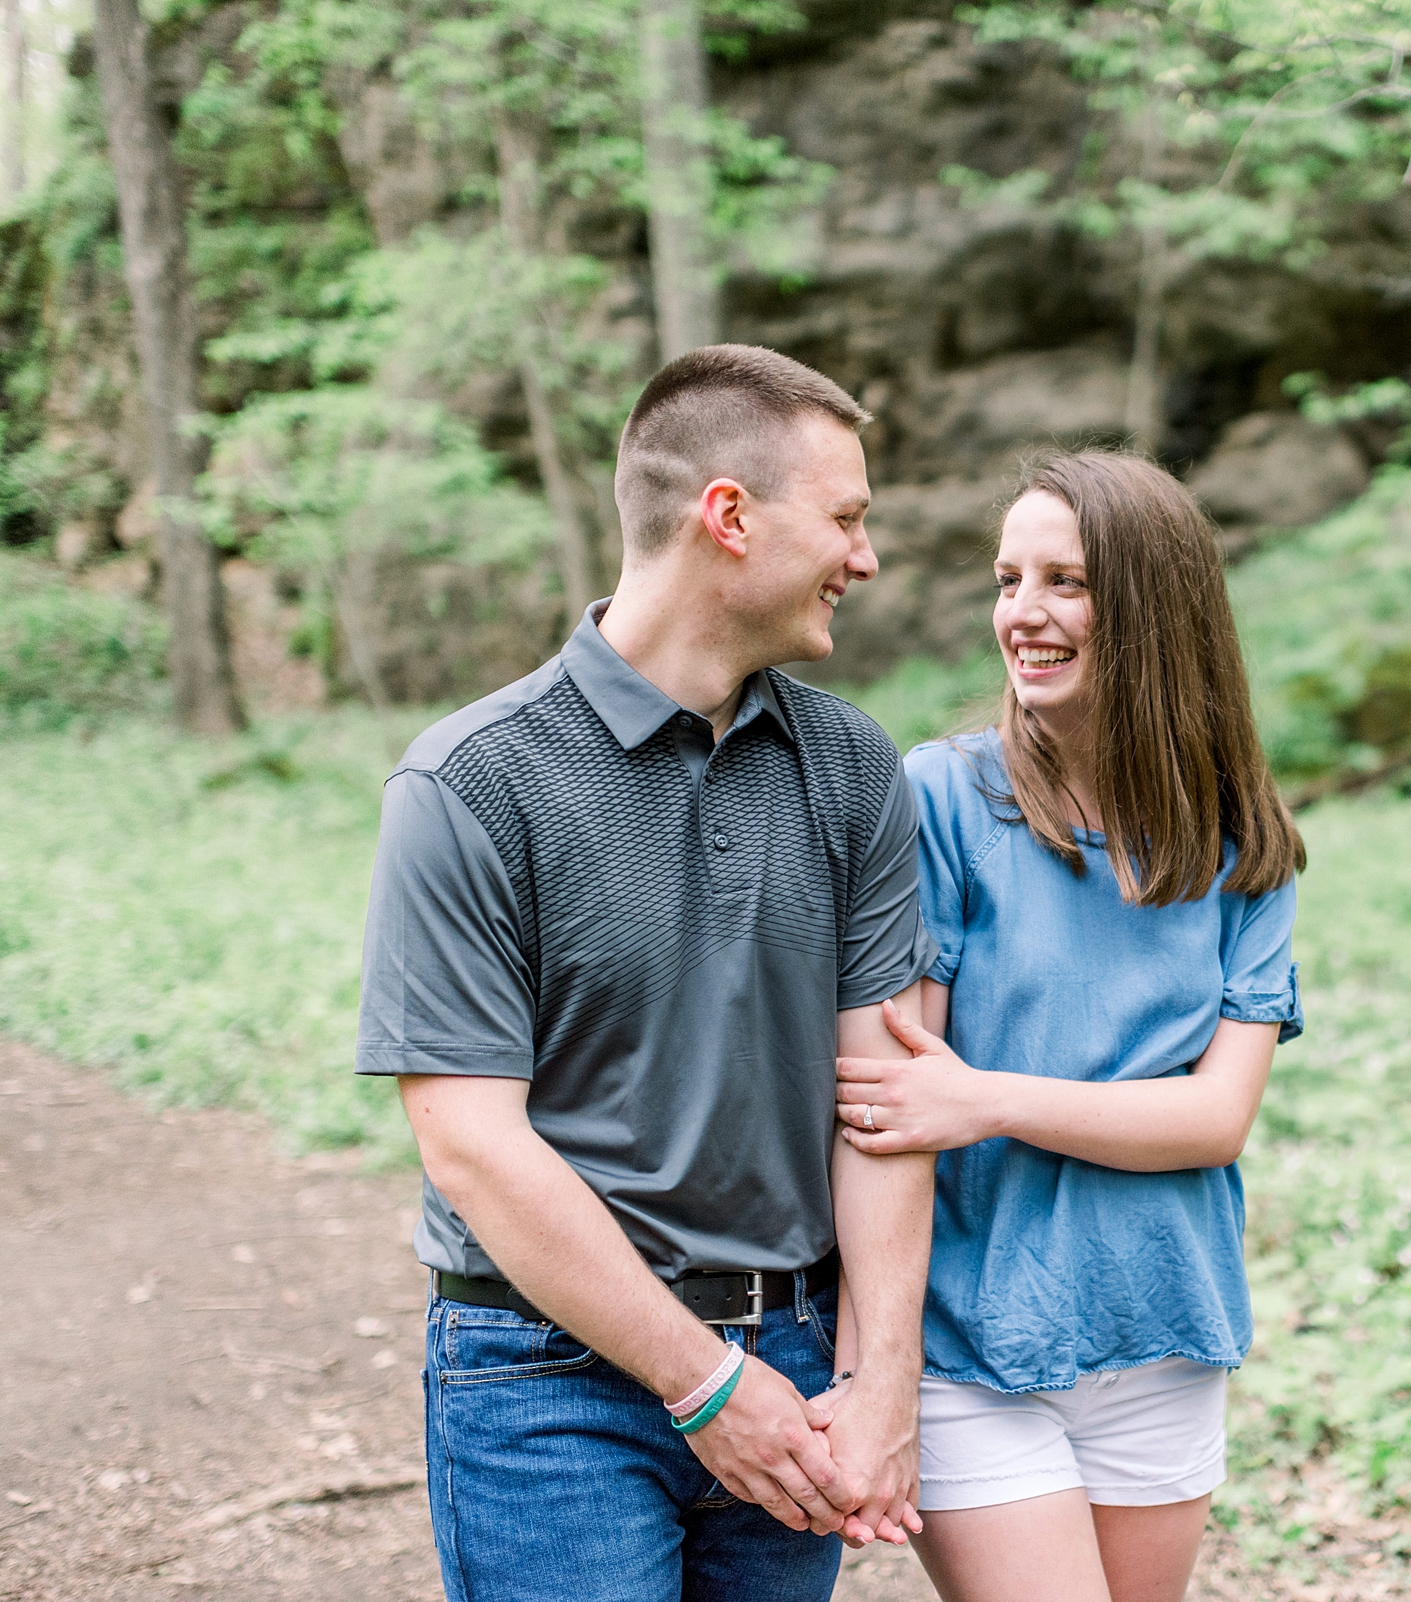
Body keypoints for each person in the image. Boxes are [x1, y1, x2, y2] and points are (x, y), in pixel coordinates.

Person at [355, 345, 941, 1602]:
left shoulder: (850, 767)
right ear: (728, 517)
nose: (867, 556)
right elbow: (470, 1144)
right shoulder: (471, 785)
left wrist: (882, 1378)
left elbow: (884, 1100)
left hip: (794, 1361)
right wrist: (699, 1381)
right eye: (845, 518)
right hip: (544, 1379)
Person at [831, 450, 1306, 1602]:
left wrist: (988, 1098)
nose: (1023, 615)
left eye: (1065, 582)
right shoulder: (942, 799)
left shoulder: (1242, 841)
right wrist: (867, 1374)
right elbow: (890, 1113)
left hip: (1162, 1324)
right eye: (1008, 580)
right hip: (972, 1339)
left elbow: (1213, 1119)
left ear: (1153, 608)